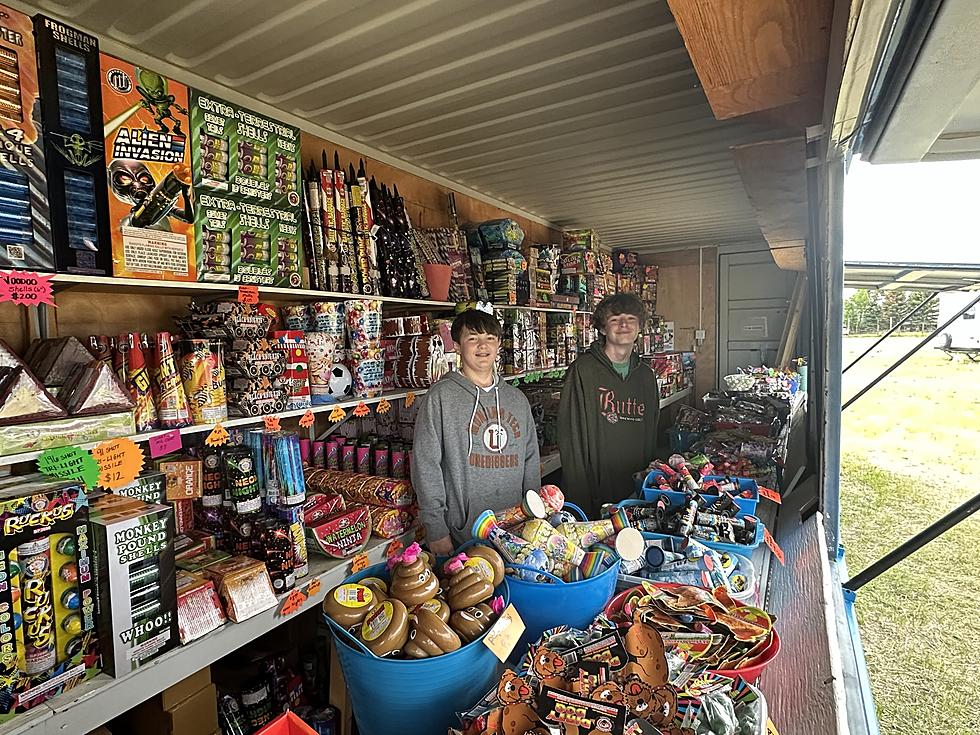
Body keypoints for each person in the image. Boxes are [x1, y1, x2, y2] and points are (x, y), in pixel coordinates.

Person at [412, 309, 541, 554]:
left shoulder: (516, 399)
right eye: (472, 338)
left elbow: (530, 459)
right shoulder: (440, 397)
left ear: (499, 345)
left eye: (490, 338)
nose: (483, 346)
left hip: (515, 531)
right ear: (458, 346)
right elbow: (426, 465)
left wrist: (533, 514)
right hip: (463, 533)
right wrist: (436, 529)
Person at [557, 293, 660, 517]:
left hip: (636, 492)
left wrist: (648, 483)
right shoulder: (583, 370)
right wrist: (579, 495)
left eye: (631, 319)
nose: (623, 325)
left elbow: (652, 432)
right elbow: (570, 436)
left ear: (639, 327)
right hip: (593, 493)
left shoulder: (646, 376)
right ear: (603, 329)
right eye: (615, 319)